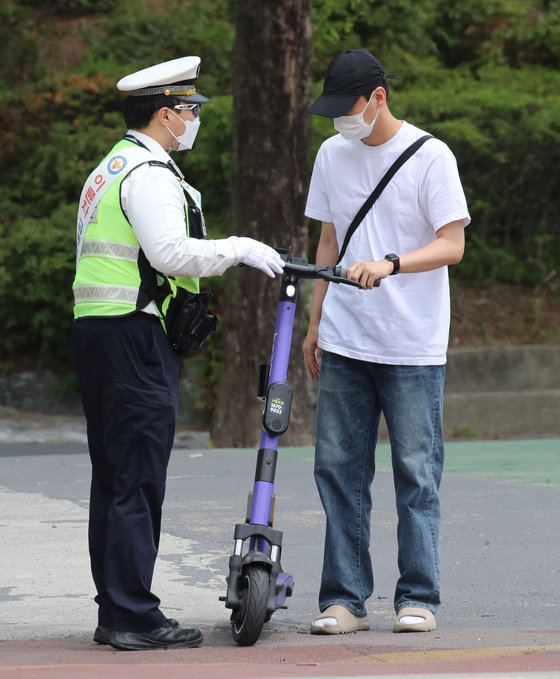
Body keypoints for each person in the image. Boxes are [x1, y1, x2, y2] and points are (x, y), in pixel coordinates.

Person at [70, 56, 284, 651]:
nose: (195, 119)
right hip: (133, 340)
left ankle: (116, 608)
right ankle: (134, 615)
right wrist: (238, 247)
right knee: (136, 479)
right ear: (167, 114)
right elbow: (168, 253)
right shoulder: (149, 172)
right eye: (191, 110)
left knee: (113, 478)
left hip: (100, 332)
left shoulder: (109, 168)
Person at [302, 48, 470, 635]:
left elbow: (453, 244)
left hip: (412, 344)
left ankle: (418, 597)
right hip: (346, 337)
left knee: (416, 473)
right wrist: (315, 320)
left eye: (347, 110)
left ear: (378, 98)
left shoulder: (431, 156)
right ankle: (344, 600)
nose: (340, 122)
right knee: (338, 470)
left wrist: (393, 263)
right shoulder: (331, 152)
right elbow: (328, 240)